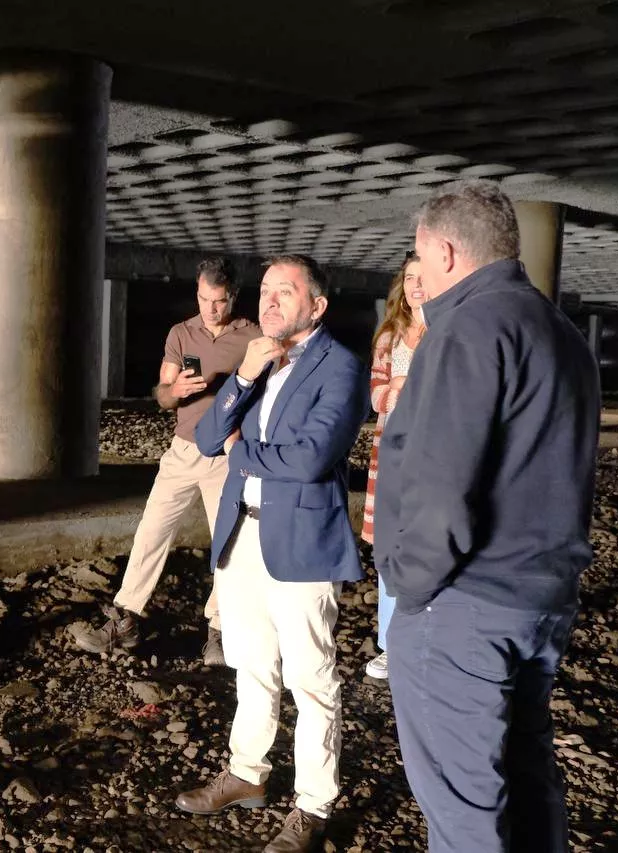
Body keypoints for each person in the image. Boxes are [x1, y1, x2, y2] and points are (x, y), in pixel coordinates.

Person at [374, 180, 600, 853]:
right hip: (540, 600)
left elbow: (443, 486)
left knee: (467, 813)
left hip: (463, 609)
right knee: (527, 783)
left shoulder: (467, 327)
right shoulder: (560, 332)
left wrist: (410, 588)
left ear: (444, 250)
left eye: (420, 257)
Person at [175, 255, 368, 853]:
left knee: (311, 680)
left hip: (303, 541)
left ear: (318, 305)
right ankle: (247, 775)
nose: (270, 301)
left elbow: (311, 460)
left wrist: (242, 454)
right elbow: (206, 438)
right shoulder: (256, 358)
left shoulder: (341, 366)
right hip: (242, 535)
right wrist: (239, 380)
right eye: (264, 291)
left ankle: (314, 805)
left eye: (286, 292)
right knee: (251, 666)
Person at [69, 258, 259, 664]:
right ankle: (126, 620)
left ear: (234, 298)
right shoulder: (181, 333)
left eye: (220, 301)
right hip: (182, 451)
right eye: (205, 299)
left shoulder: (251, 336)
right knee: (151, 532)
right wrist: (175, 388)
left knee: (227, 547)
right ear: (197, 294)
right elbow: (161, 395)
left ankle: (220, 632)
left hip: (226, 455)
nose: (212, 309)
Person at [360, 255, 426, 681]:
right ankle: (389, 645)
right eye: (409, 278)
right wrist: (401, 389)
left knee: (428, 547)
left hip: (437, 458)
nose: (416, 285)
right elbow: (376, 397)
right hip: (391, 454)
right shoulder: (390, 337)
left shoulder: (450, 332)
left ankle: (424, 639)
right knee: (388, 552)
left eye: (423, 277)